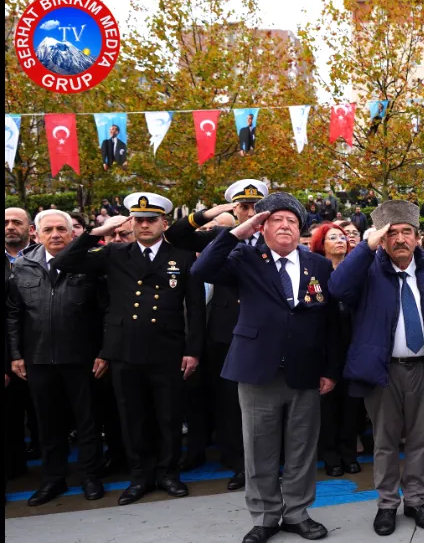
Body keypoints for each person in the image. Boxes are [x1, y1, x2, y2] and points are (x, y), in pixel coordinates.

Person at [191, 192, 340, 543]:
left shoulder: (316, 265)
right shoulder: (245, 256)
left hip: (305, 371)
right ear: (261, 227)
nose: (285, 225)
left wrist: (331, 369)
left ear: (301, 229)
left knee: (302, 448)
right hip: (258, 370)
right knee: (259, 449)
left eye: (292, 220)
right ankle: (264, 516)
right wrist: (238, 232)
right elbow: (201, 270)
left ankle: (297, 513)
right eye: (275, 220)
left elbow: (331, 322)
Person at [52, 192, 206, 506]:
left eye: (152, 220)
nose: (145, 225)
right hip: (125, 350)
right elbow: (63, 262)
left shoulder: (182, 256)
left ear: (164, 222)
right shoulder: (114, 253)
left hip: (167, 349)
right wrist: (99, 232)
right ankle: (140, 476)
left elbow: (196, 309)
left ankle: (168, 473)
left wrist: (193, 350)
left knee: (168, 416)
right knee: (133, 417)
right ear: (130, 222)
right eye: (139, 219)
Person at [330, 200, 424, 536]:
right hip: (382, 371)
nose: (400, 239)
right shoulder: (366, 271)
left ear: (418, 237)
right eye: (392, 234)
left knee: (421, 440)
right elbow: (337, 288)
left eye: (407, 232)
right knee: (385, 441)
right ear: (381, 239)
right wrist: (367, 246)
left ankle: (416, 500)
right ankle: (387, 503)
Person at [164, 179, 269, 488]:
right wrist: (209, 214)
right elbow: (175, 235)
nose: (251, 212)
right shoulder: (223, 236)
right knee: (229, 403)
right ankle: (238, 462)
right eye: (244, 207)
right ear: (235, 210)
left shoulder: (274, 236)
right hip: (226, 331)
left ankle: (265, 460)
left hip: (265, 331)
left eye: (256, 206)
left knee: (265, 403)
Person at [7, 210, 107, 506]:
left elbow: (106, 311)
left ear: (71, 233)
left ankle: (91, 476)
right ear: (36, 235)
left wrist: (104, 352)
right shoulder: (22, 266)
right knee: (49, 423)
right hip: (38, 359)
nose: (55, 234)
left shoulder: (89, 263)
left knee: (88, 422)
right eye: (48, 229)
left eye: (61, 229)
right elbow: (14, 313)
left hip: (82, 358)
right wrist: (15, 355)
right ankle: (53, 479)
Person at [308, 223, 363, 478]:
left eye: (343, 237)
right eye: (333, 237)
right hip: (325, 348)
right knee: (327, 405)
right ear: (321, 244)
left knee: (352, 404)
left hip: (353, 345)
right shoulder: (314, 273)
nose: (341, 240)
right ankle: (331, 456)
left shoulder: (356, 270)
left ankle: (349, 453)